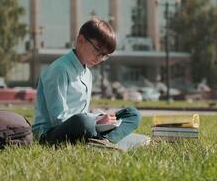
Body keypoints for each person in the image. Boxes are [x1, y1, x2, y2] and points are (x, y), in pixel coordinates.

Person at [32, 17, 141, 145]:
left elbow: (82, 112)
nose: (99, 58)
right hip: (51, 134)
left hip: (82, 128)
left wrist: (100, 119)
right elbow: (58, 119)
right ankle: (102, 137)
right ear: (80, 40)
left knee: (132, 114)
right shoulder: (59, 70)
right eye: (97, 50)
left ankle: (105, 141)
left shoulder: (87, 73)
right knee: (83, 122)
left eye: (104, 55)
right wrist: (95, 121)